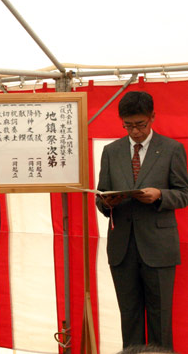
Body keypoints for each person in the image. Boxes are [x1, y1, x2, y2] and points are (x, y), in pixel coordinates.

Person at [96, 91, 188, 350]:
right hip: (122, 247)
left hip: (159, 246)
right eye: (128, 125)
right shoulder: (111, 151)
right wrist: (106, 202)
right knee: (130, 316)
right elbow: (101, 192)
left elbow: (184, 193)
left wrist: (160, 195)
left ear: (152, 117)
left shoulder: (171, 149)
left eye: (140, 124)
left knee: (160, 318)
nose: (134, 131)